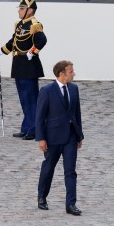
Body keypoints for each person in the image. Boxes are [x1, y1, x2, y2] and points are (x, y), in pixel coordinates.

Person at [0, 0, 47, 140]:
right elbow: (14, 41)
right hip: (19, 65)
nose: (19, 11)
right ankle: (26, 127)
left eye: (22, 8)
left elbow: (42, 40)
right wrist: (2, 50)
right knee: (24, 98)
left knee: (31, 99)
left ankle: (35, 130)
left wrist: (33, 51)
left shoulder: (35, 24)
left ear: (30, 11)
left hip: (29, 65)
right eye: (20, 8)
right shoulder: (19, 25)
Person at [35, 60, 84, 215]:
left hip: (70, 136)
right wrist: (41, 138)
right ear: (61, 74)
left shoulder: (74, 89)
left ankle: (70, 204)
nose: (74, 73)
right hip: (52, 137)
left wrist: (79, 135)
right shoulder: (47, 90)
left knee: (70, 171)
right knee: (48, 168)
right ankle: (42, 196)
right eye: (71, 71)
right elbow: (39, 117)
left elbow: (77, 114)